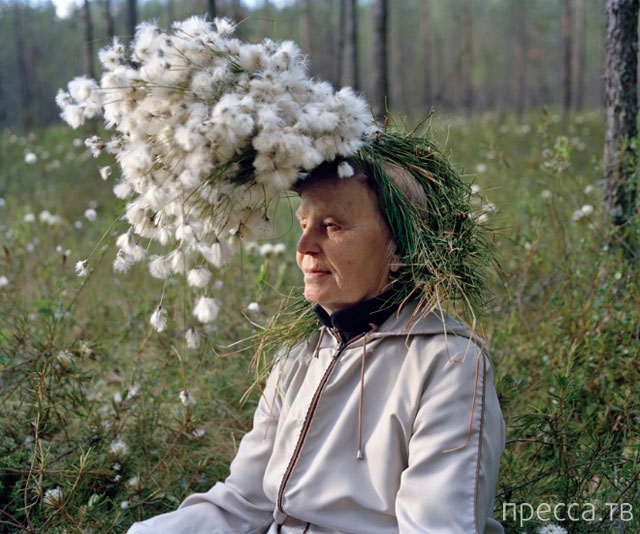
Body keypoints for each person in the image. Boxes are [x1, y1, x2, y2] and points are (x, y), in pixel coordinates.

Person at [127, 134, 505, 533]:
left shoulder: (447, 365)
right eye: (304, 224)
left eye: (332, 226)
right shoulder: (301, 354)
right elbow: (244, 505)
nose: (304, 246)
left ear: (399, 247)